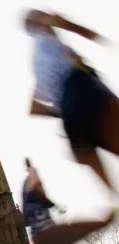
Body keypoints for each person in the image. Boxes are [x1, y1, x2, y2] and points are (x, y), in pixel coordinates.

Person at [24, 9, 119, 195]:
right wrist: (96, 37)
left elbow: (33, 108)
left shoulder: (37, 61)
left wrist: (65, 111)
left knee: (112, 190)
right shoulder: (46, 33)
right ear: (38, 22)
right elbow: (61, 21)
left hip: (71, 120)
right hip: (85, 91)